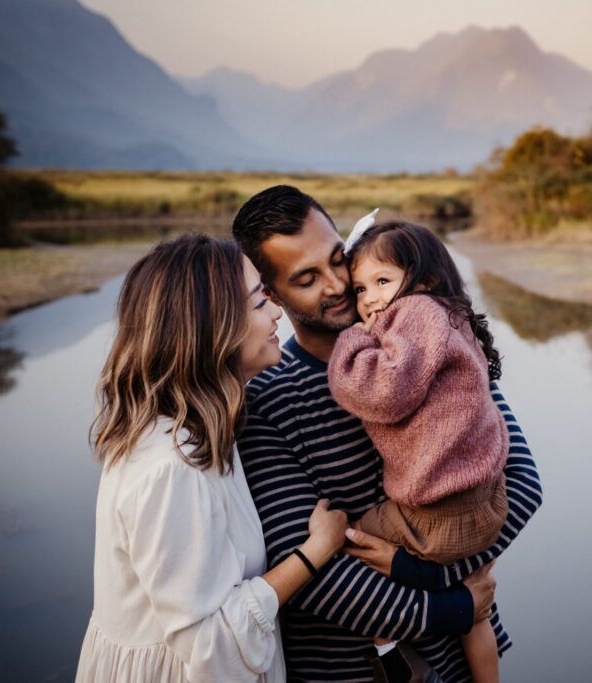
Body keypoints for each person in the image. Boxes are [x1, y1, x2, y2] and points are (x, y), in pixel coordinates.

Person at [232, 186, 543, 682]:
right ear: (270, 294)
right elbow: (313, 576)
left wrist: (425, 573)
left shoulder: (423, 333)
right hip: (352, 669)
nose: (337, 285)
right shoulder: (265, 401)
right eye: (307, 278)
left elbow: (522, 482)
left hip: (457, 661)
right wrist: (455, 604)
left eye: (338, 260)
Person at [75, 235, 349, 683]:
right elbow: (209, 645)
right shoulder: (173, 468)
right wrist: (316, 550)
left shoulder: (196, 426)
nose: (278, 310)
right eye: (261, 302)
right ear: (213, 327)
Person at [327, 220, 509, 682]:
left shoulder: (416, 314)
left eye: (382, 281)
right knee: (479, 613)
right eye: (360, 288)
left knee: (346, 545)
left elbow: (383, 390)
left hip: (434, 516)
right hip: (486, 503)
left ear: (424, 278)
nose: (368, 299)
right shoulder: (449, 317)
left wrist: (349, 338)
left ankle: (392, 655)